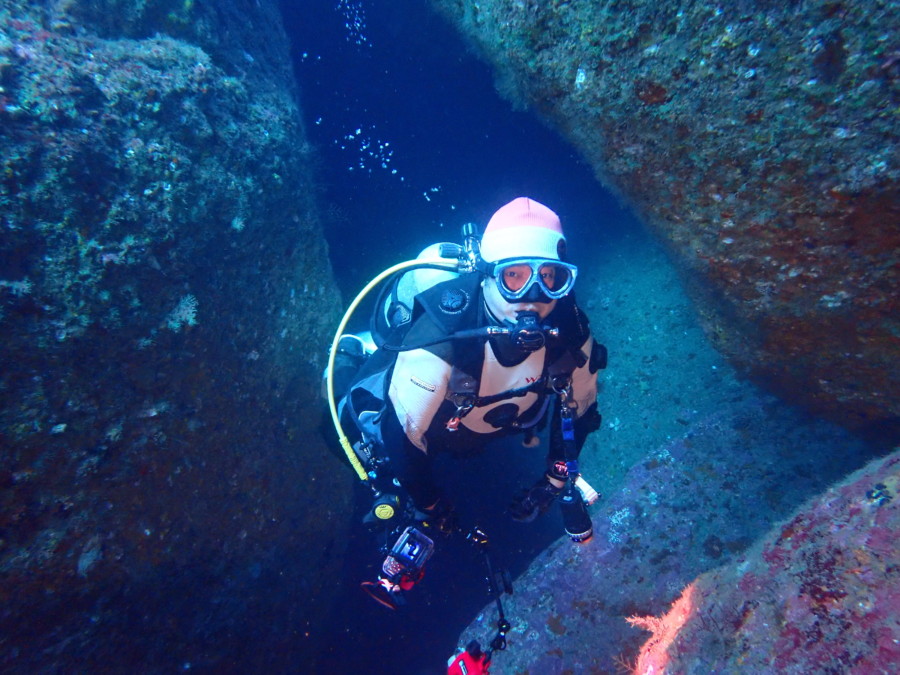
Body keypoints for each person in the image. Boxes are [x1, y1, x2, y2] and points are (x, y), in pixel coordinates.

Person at [336, 197, 606, 608]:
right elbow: (401, 435)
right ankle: (353, 354)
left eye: (549, 277)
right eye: (514, 277)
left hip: (490, 425)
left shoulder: (570, 329)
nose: (533, 297)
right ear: (489, 274)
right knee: (341, 425)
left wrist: (552, 483)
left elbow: (580, 408)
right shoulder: (442, 334)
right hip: (440, 425)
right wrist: (429, 505)